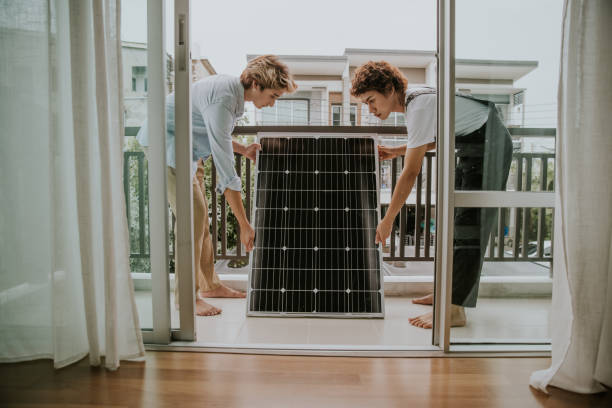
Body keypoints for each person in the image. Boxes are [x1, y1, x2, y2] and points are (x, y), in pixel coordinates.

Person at [351, 61, 512, 328]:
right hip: (473, 143)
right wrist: (396, 150)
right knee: (455, 224)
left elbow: (411, 172)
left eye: (371, 101)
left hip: (488, 144)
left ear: (389, 89)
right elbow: (432, 139)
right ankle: (447, 295)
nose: (370, 109)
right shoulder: (416, 100)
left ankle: (455, 308)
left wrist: (388, 219)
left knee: (468, 226)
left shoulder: (419, 105)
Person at [138, 55, 297, 316]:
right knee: (193, 219)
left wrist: (243, 149)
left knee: (201, 221)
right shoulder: (223, 98)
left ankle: (210, 285)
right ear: (256, 84)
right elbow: (226, 173)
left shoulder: (231, 94)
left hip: (188, 149)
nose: (272, 103)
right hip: (164, 146)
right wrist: (244, 224)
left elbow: (216, 135)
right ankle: (186, 299)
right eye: (274, 95)